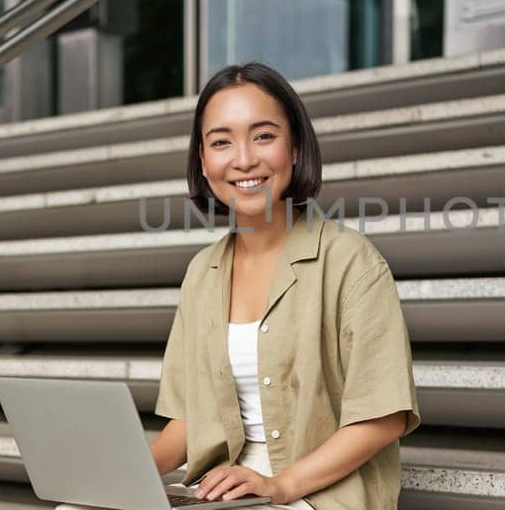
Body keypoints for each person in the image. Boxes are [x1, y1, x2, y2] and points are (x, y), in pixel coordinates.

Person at [148, 62, 421, 509]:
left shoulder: (350, 260)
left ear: (294, 147)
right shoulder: (202, 273)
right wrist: (121, 473)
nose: (243, 159)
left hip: (318, 493)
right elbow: (186, 420)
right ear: (202, 159)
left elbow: (384, 416)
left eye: (263, 136)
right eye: (221, 142)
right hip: (222, 493)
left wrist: (281, 486)